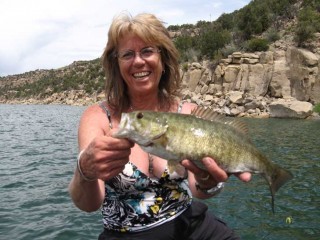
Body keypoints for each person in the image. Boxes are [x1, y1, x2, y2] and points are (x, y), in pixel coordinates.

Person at [68, 12, 251, 240]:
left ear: (162, 59)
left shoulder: (188, 113)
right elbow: (88, 204)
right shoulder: (97, 117)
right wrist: (84, 170)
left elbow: (198, 190)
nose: (138, 61)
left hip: (193, 226)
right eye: (127, 54)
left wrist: (208, 182)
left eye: (147, 51)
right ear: (117, 65)